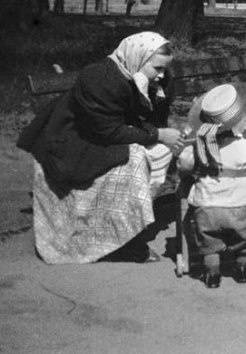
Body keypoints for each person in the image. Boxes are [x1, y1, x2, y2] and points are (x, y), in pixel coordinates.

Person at [17, 31, 185, 263]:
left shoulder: (158, 79)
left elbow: (156, 117)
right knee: (135, 161)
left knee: (160, 152)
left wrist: (160, 130)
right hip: (74, 140)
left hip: (113, 133)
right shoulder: (99, 78)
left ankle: (130, 229)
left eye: (165, 68)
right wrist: (157, 134)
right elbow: (107, 131)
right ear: (137, 57)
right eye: (157, 68)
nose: (162, 75)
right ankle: (123, 244)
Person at [178, 83, 246, 288]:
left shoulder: (199, 148)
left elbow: (184, 165)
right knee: (245, 235)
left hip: (208, 204)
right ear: (238, 123)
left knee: (207, 238)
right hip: (241, 204)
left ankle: (212, 272)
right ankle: (243, 267)